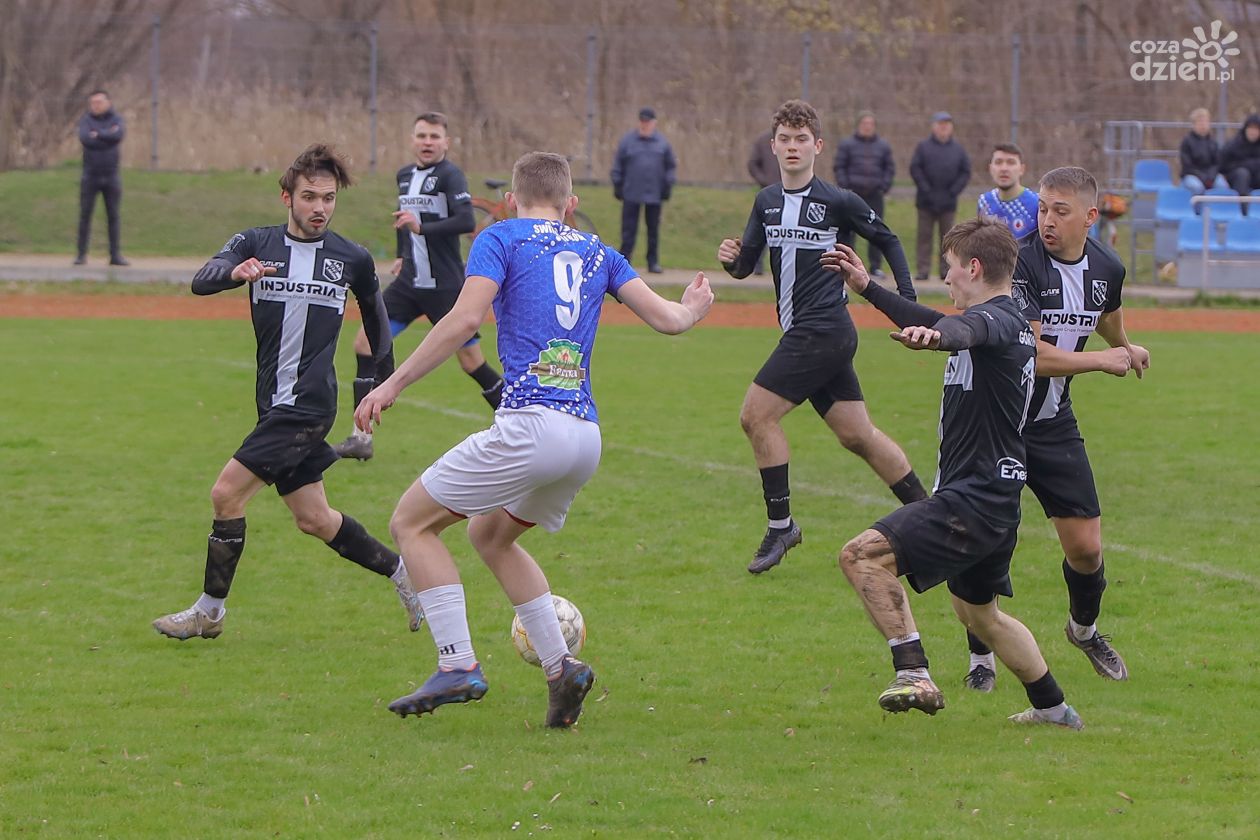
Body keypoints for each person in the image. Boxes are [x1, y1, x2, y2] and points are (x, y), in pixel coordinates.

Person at [355, 152, 712, 728]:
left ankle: (457, 663)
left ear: (511, 201)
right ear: (571, 205)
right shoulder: (599, 250)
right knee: (491, 536)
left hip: (530, 427)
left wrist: (392, 382)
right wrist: (693, 309)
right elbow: (670, 320)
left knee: (411, 524)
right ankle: (560, 667)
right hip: (584, 438)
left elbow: (465, 319)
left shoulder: (500, 237)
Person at [152, 144, 422, 641]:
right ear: (287, 198)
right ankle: (404, 573)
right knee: (315, 519)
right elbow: (201, 280)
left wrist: (380, 386)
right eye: (309, 197)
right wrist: (235, 272)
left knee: (226, 494)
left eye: (329, 198)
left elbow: (378, 325)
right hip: (272, 404)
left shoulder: (352, 258)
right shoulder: (255, 243)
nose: (320, 207)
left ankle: (210, 612)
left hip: (307, 406)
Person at [821, 220, 1083, 730]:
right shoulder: (1008, 319)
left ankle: (913, 672)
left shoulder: (995, 322)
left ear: (974, 268)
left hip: (974, 500)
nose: (947, 278)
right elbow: (944, 321)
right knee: (981, 616)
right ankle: (1054, 708)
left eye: (951, 268)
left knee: (861, 556)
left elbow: (964, 330)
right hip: (995, 498)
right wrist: (869, 287)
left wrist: (940, 337)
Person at [955, 166, 1149, 692]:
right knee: (987, 542)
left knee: (1086, 547)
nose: (1046, 220)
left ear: (1090, 217)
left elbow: (1104, 312)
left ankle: (1083, 630)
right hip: (997, 423)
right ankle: (981, 657)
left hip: (1052, 421)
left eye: (1060, 211)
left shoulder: (1107, 266)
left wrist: (1125, 346)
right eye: (1042, 208)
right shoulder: (1020, 266)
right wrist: (1102, 361)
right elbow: (1031, 355)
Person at [717, 99, 924, 576]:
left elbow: (889, 239)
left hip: (823, 329)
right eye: (784, 139)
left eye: (801, 139)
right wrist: (731, 259)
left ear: (818, 146)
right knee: (858, 435)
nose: (793, 147)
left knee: (755, 416)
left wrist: (908, 302)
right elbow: (746, 266)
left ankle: (782, 526)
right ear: (773, 146)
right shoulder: (766, 202)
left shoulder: (838, 201)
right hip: (811, 335)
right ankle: (930, 513)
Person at [332, 113, 504, 461]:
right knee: (364, 343)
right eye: (422, 135)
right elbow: (403, 219)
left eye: (434, 136)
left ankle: (519, 424)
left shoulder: (451, 176)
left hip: (444, 286)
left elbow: (465, 220)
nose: (428, 142)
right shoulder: (405, 175)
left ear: (446, 142)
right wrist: (401, 253)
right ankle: (360, 438)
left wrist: (421, 228)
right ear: (412, 140)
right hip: (409, 283)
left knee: (471, 362)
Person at [611, 107, 677, 273]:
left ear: (654, 123)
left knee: (653, 230)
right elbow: (618, 164)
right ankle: (624, 262)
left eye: (648, 122)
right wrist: (617, 184)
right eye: (642, 121)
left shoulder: (662, 143)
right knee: (628, 230)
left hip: (654, 194)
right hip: (631, 192)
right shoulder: (628, 141)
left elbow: (670, 166)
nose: (644, 125)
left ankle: (652, 262)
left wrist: (667, 185)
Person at [833, 111, 895, 277]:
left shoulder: (883, 146)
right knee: (848, 230)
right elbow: (839, 166)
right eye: (864, 124)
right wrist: (845, 187)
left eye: (870, 124)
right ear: (859, 125)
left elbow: (889, 168)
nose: (867, 127)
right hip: (852, 195)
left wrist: (883, 186)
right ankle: (846, 264)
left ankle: (875, 266)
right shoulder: (847, 145)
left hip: (874, 195)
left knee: (875, 230)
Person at [910, 111, 971, 279]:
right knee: (924, 237)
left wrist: (953, 191)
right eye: (940, 124)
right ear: (933, 127)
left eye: (947, 124)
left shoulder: (958, 150)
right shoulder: (923, 147)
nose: (943, 128)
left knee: (948, 238)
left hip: (948, 201)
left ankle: (946, 270)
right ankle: (923, 270)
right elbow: (915, 168)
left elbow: (965, 172)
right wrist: (926, 189)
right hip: (926, 201)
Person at [75, 90, 128, 266]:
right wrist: (106, 134)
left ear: (108, 102)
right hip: (90, 176)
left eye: (99, 102)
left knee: (113, 216)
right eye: (93, 103)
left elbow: (117, 136)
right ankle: (81, 255)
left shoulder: (117, 119)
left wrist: (98, 133)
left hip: (111, 176)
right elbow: (85, 139)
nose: (96, 106)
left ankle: (115, 255)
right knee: (85, 215)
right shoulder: (86, 120)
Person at [976, 143, 1038, 241]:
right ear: (990, 168)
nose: (1004, 168)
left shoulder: (1036, 203)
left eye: (1011, 162)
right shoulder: (984, 202)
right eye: (998, 162)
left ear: (1022, 169)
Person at [747, 128, 780, 276]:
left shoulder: (795, 141)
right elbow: (752, 164)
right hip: (769, 192)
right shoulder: (763, 140)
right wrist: (764, 181)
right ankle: (757, 265)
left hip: (791, 191)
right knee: (763, 229)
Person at [1179, 108, 1228, 194]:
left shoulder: (1213, 142)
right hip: (1191, 176)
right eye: (1200, 122)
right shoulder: (1186, 142)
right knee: (1197, 187)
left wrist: (1211, 177)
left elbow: (1217, 163)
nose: (1203, 125)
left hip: (1211, 176)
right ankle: (1198, 204)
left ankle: (1217, 203)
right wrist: (1202, 177)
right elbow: (1187, 166)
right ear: (1194, 124)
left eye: (1205, 122)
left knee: (1222, 186)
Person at [1220, 114, 1260, 213]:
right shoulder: (1234, 144)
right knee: (1242, 174)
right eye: (1250, 128)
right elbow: (1223, 165)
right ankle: (1243, 209)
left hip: (1256, 176)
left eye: (1256, 129)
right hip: (1236, 177)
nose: (1253, 132)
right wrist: (1246, 165)